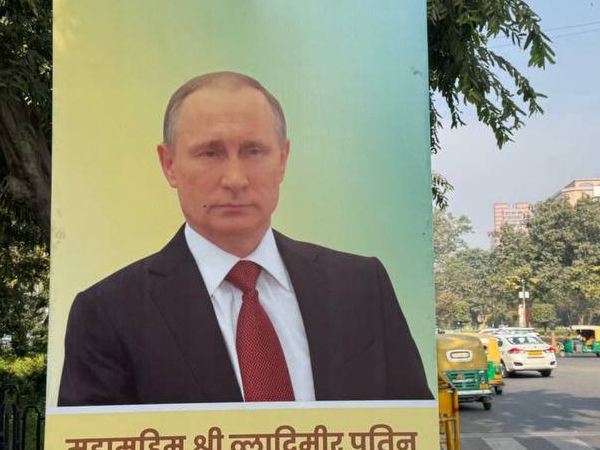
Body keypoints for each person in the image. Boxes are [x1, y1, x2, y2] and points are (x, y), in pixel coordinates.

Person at [57, 71, 431, 406]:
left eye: (253, 151)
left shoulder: (361, 287)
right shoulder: (110, 314)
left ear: (282, 159)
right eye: (210, 153)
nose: (235, 179)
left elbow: (413, 443)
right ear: (169, 164)